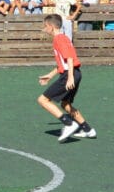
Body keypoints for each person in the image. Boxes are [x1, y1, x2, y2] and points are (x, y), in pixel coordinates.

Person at [38, 13, 96, 142]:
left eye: (45, 26)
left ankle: (69, 123)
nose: (44, 28)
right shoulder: (62, 38)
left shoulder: (59, 39)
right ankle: (88, 130)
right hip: (75, 73)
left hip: (70, 74)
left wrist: (69, 77)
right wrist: (50, 75)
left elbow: (69, 57)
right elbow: (63, 62)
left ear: (51, 27)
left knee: (43, 100)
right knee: (65, 104)